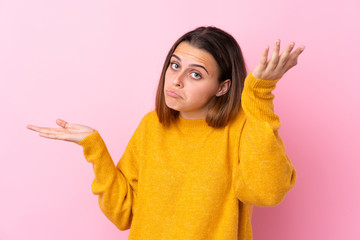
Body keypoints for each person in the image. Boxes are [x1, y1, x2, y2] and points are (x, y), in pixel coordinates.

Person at [27, 26, 304, 240]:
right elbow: (123, 214)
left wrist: (259, 97)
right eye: (175, 65)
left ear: (222, 87)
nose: (177, 80)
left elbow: (266, 193)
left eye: (196, 74)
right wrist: (95, 148)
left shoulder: (242, 128)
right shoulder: (152, 125)